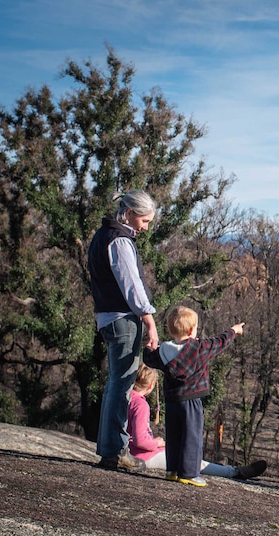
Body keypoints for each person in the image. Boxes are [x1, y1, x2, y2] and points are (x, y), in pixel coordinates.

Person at [88, 189, 160, 471]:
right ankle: (116, 452)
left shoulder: (101, 236)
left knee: (115, 384)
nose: (145, 227)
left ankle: (109, 450)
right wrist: (149, 320)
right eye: (144, 221)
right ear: (129, 214)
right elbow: (132, 286)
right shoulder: (119, 240)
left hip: (107, 316)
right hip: (122, 319)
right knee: (123, 385)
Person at [143, 305, 243, 487]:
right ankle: (189, 473)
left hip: (172, 402)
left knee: (173, 436)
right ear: (191, 330)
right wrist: (234, 331)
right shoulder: (199, 348)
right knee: (192, 436)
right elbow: (219, 342)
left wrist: (149, 348)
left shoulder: (164, 350)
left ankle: (172, 470)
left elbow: (149, 359)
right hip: (191, 400)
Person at [127, 363, 267, 481]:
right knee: (191, 462)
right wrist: (157, 443)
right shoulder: (140, 405)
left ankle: (228, 470)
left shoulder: (124, 399)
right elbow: (140, 441)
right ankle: (234, 472)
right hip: (142, 455)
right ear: (151, 385)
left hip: (129, 452)